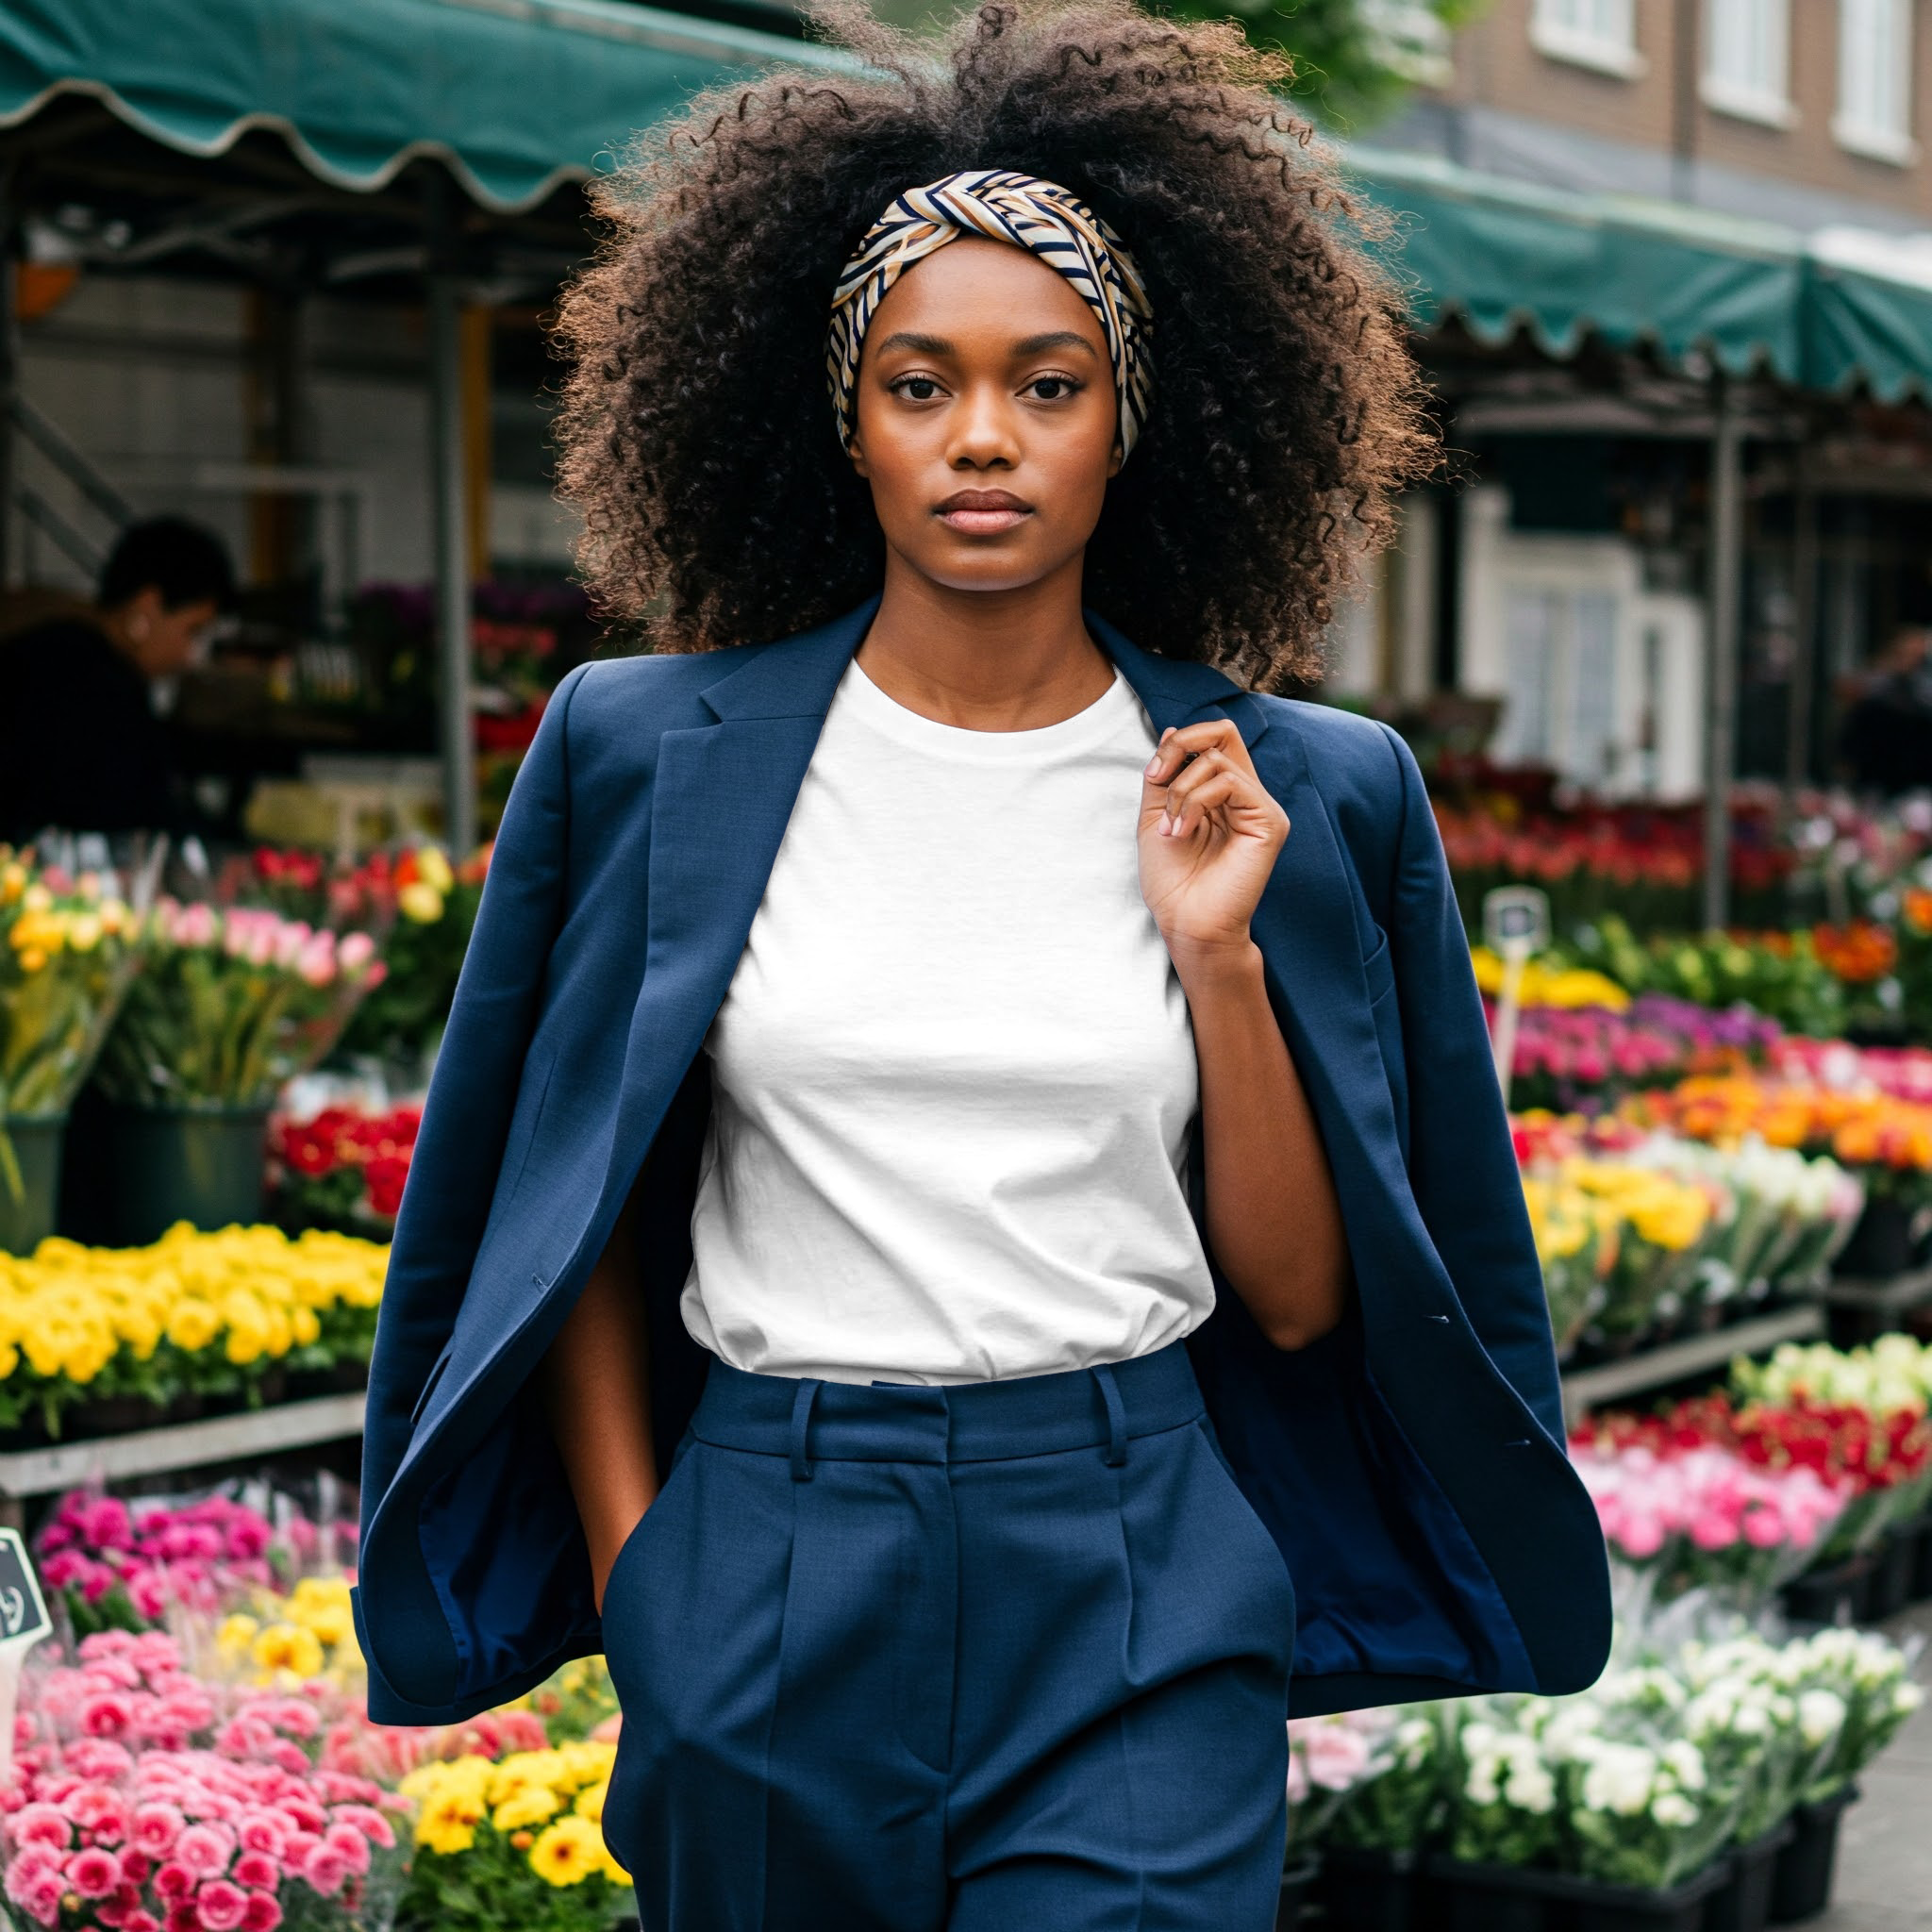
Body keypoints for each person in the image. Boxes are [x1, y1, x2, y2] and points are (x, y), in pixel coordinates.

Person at [355, 6, 1611, 1927]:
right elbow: (568, 1218)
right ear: (842, 419)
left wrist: (1220, 964)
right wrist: (649, 1584)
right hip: (772, 1537)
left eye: (1046, 384)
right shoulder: (636, 751)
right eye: (919, 383)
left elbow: (1288, 1299)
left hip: (1129, 1540)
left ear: (1129, 419)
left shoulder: (1295, 792)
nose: (982, 443)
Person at [0, 515, 233, 843]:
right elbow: (133, 815)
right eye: (192, 631)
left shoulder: (49, 649)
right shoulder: (100, 691)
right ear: (147, 609)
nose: (190, 656)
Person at [1839, 626, 1932, 795]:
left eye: (1915, 656)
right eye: (1904, 654)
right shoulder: (1876, 688)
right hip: (1875, 776)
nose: (1908, 660)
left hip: (1916, 779)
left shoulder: (1922, 690)